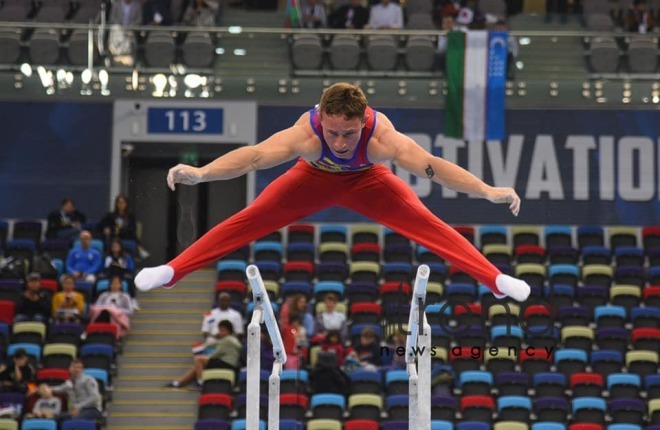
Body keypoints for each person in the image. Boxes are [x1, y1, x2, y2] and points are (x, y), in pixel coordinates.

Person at [135, 82, 531, 303]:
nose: (340, 142)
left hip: (367, 181)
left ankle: (494, 280)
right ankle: (173, 271)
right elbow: (254, 157)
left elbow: (434, 168)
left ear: (364, 122)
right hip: (311, 178)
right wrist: (202, 173)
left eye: (349, 133)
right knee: (249, 219)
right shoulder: (306, 136)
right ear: (320, 119)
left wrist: (486, 190)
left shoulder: (382, 140)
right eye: (332, 131)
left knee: (427, 223)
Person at [166, 320, 242, 388]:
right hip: (227, 363)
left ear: (228, 331)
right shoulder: (229, 339)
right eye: (220, 330)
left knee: (199, 360)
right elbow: (213, 344)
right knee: (197, 366)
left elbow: (215, 355)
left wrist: (205, 358)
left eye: (222, 330)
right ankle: (178, 383)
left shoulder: (227, 340)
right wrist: (203, 346)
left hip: (227, 364)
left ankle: (200, 381)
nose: (220, 332)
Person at [99, 195, 149, 259]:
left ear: (126, 204)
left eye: (123, 202)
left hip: (126, 238)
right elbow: (102, 225)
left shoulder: (130, 216)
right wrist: (106, 228)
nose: (121, 204)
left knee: (133, 245)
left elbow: (132, 230)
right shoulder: (110, 216)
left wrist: (121, 231)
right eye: (119, 202)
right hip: (113, 238)